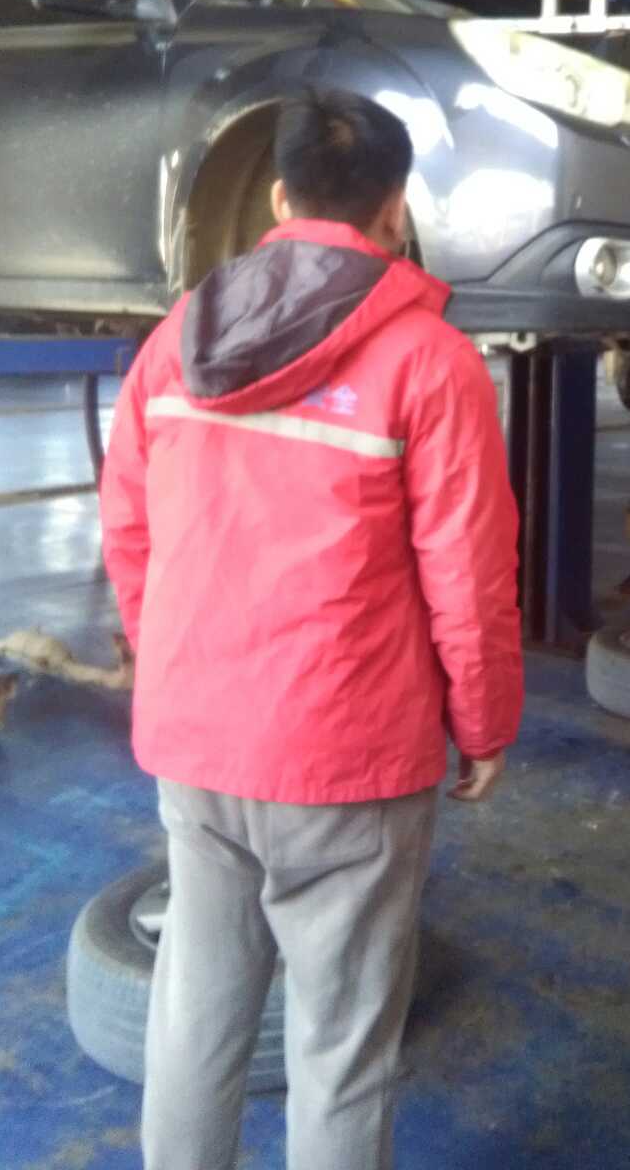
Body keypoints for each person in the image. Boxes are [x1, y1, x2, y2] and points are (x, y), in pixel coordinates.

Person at [100, 87, 523, 1170]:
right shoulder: (430, 362)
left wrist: (172, 669)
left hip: (197, 742)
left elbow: (130, 529)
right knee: (341, 1043)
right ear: (395, 209)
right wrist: (484, 725)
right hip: (346, 760)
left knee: (196, 1012)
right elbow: (468, 571)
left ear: (280, 199)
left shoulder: (174, 342)